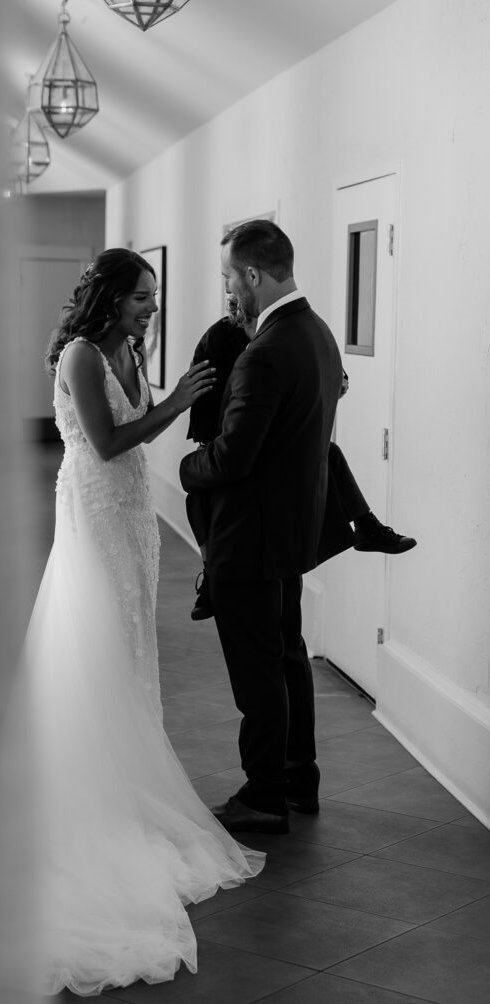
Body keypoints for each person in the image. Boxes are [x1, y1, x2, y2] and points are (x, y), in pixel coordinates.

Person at [0, 249, 265, 999]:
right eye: (141, 297)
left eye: (153, 295)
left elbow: (135, 430)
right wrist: (173, 402)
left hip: (133, 519)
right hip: (95, 518)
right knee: (100, 649)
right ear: (108, 297)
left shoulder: (128, 349)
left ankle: (130, 783)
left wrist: (168, 399)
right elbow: (108, 441)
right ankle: (93, 798)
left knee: (134, 649)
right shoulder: (80, 353)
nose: (151, 307)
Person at [179, 219, 345, 834]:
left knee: (257, 671)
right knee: (287, 656)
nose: (227, 287)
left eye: (229, 275)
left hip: (249, 537)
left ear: (252, 274)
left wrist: (185, 465)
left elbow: (230, 458)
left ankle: (264, 793)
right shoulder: (319, 335)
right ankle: (301, 779)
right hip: (291, 531)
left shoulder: (266, 350)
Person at [187, 296, 416, 620]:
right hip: (228, 437)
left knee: (326, 453)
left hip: (272, 439)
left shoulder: (287, 335)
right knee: (198, 493)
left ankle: (366, 526)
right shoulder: (219, 339)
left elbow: (329, 379)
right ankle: (212, 575)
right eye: (230, 300)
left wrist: (333, 382)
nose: (236, 308)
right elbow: (211, 406)